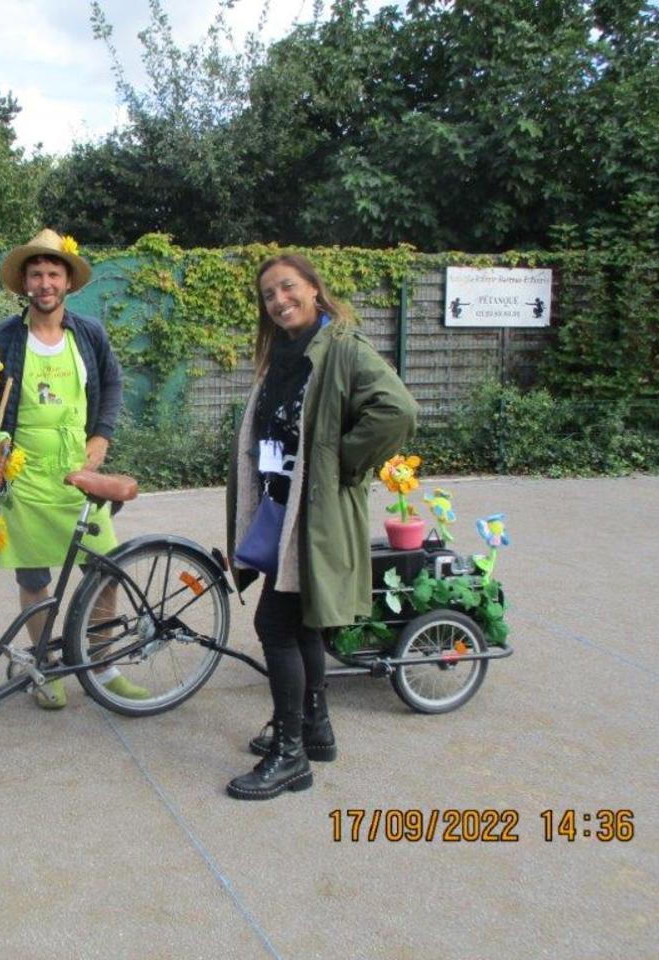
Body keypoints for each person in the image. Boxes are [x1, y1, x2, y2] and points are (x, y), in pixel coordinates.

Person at [0, 228, 146, 708]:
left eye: (53, 274)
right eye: (36, 275)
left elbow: (112, 383)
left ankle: (104, 666)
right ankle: (46, 666)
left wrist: (101, 436)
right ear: (24, 284)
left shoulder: (89, 333)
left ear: (67, 281)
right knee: (34, 580)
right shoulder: (3, 338)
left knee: (105, 570)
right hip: (22, 474)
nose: (45, 283)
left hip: (80, 474)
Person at [226, 254, 417, 800]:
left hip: (312, 514)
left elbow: (398, 411)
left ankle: (291, 757)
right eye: (268, 294)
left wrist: (342, 463)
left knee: (274, 625)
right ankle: (316, 730)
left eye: (288, 287)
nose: (279, 300)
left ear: (314, 288)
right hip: (282, 509)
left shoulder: (344, 348)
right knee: (304, 624)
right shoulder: (286, 353)